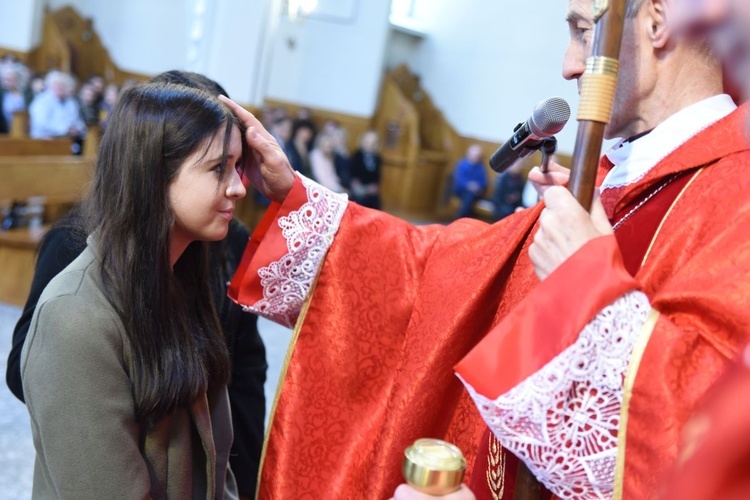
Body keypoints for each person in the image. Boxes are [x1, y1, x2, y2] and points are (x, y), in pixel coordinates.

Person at [219, 0, 750, 497]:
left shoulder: (735, 198)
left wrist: (589, 282)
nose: (568, 67)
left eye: (583, 32)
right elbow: (442, 273)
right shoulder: (612, 181)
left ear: (657, 22)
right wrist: (298, 200)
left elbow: (715, 438)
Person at [7, 70, 267, 499]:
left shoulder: (183, 282)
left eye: (238, 167)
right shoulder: (74, 318)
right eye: (219, 168)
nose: (240, 187)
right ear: (154, 176)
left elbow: (217, 467)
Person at [28, 70, 86, 141]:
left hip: (67, 139)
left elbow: (77, 120)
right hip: (44, 140)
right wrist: (64, 129)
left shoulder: (71, 102)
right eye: (56, 84)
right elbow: (41, 123)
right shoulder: (41, 101)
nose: (59, 87)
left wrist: (77, 128)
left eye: (63, 85)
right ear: (50, 85)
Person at [452, 144, 489, 219]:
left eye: (478, 155)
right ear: (469, 154)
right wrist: (469, 185)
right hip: (461, 191)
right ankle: (462, 218)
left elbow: (484, 182)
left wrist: (477, 187)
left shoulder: (481, 167)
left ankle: (464, 219)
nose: (476, 157)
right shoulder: (462, 164)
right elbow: (459, 180)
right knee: (469, 196)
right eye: (474, 155)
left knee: (472, 196)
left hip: (477, 192)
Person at [349, 130, 382, 209]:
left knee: (375, 202)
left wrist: (374, 186)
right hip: (359, 186)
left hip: (371, 188)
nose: (369, 145)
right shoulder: (357, 155)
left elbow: (377, 176)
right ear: (363, 142)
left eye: (372, 143)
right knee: (362, 199)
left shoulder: (377, 157)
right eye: (367, 142)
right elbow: (353, 173)